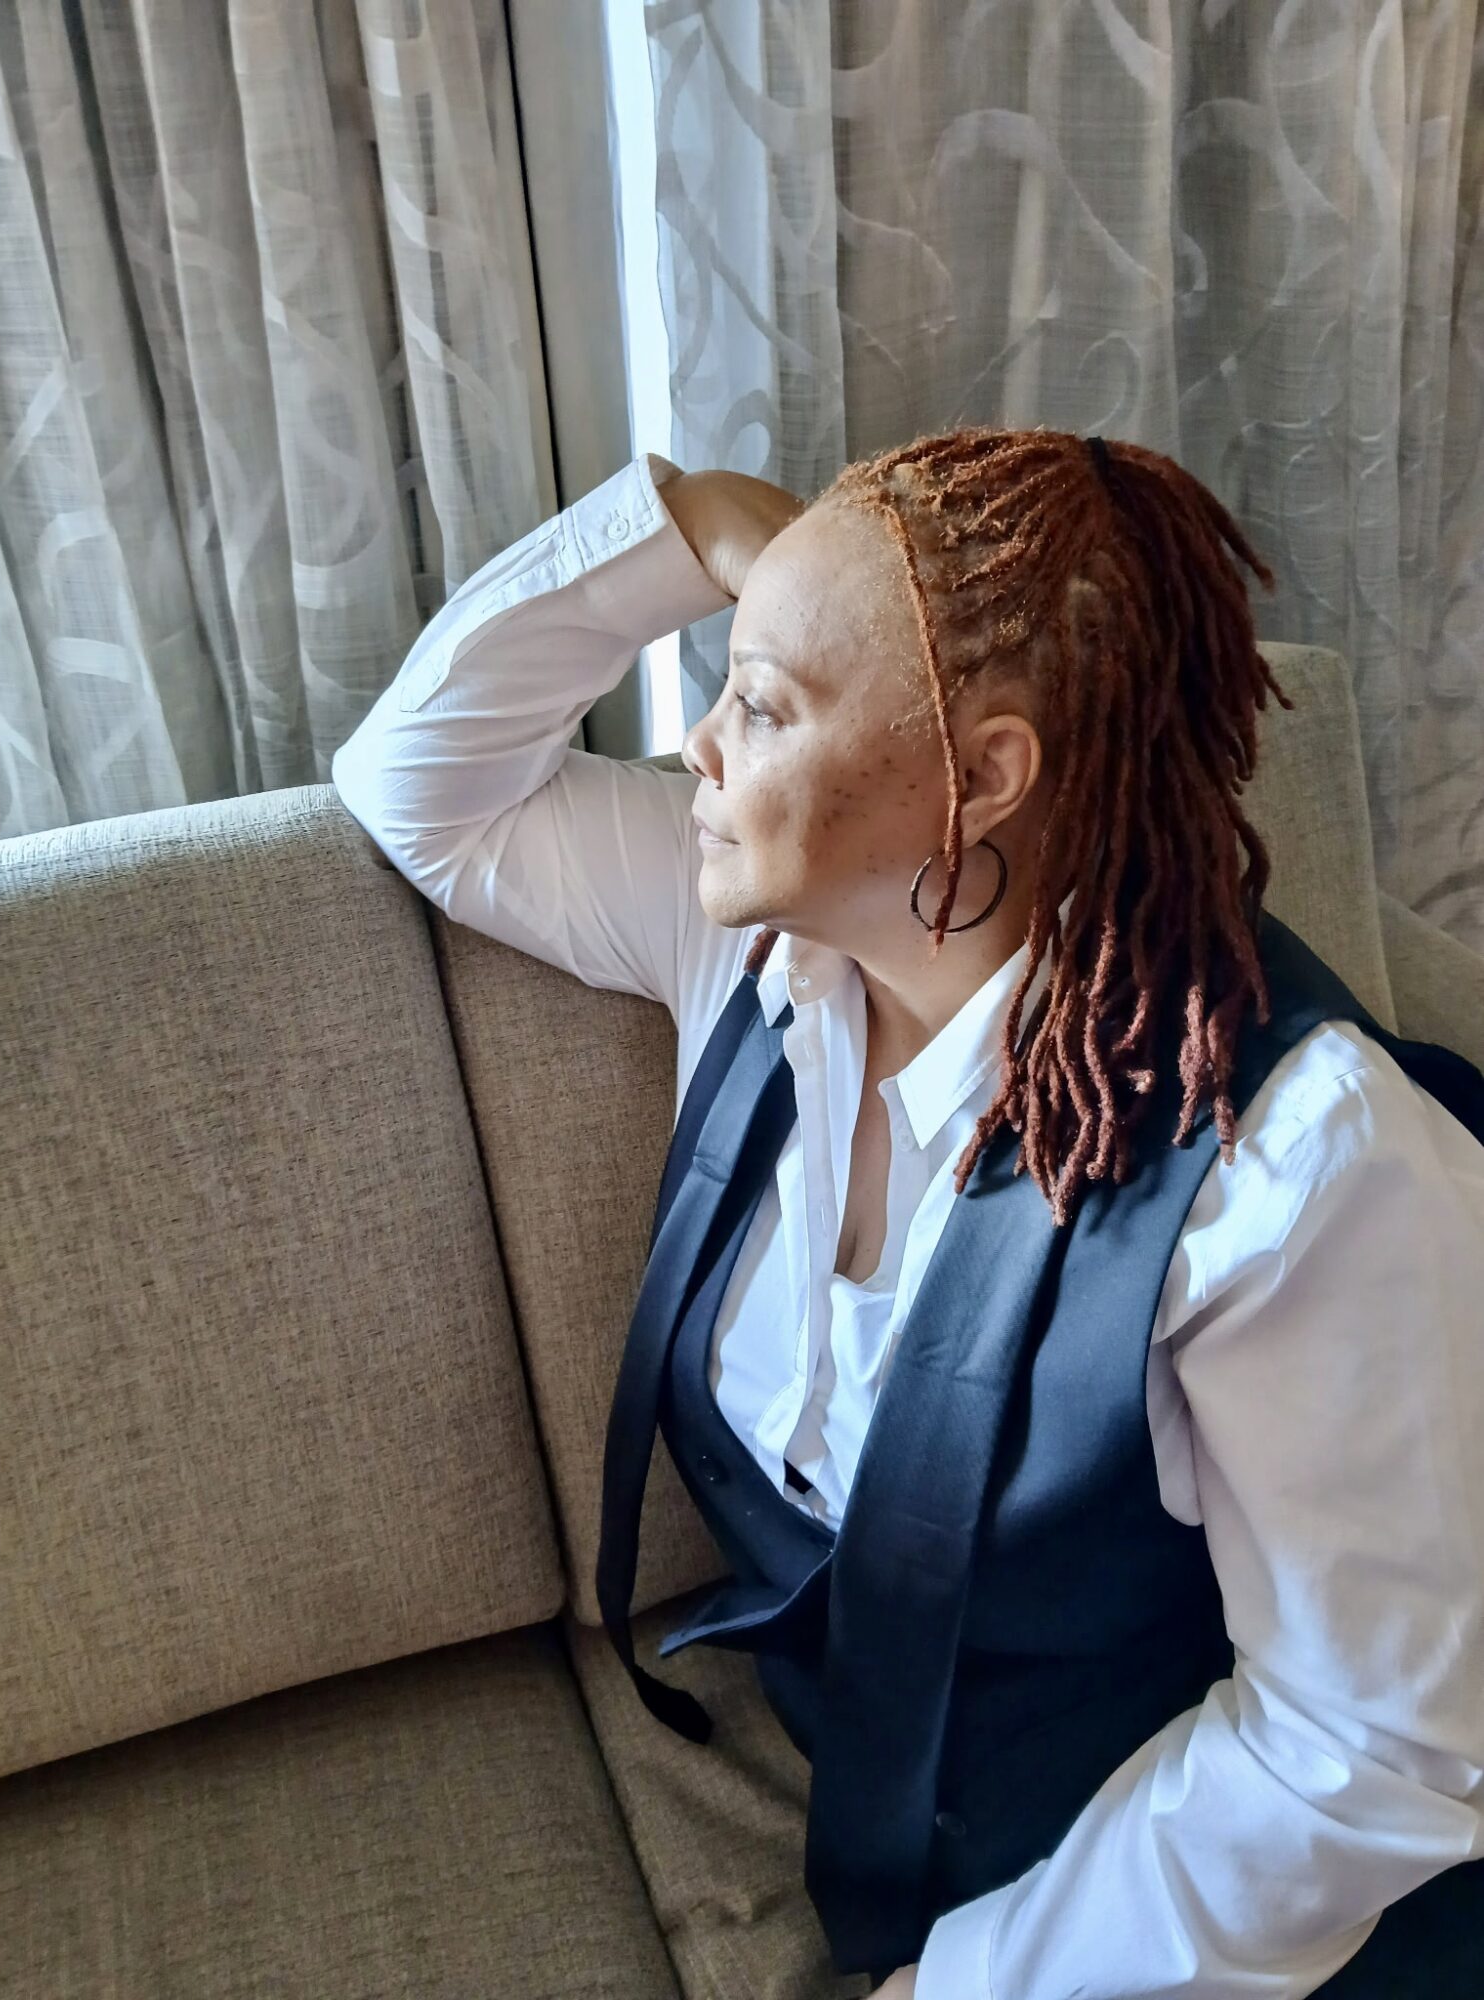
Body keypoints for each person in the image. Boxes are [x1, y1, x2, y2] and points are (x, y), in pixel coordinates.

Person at [330, 427, 1484, 1999]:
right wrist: (696, 529)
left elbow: (1365, 1754)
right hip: (887, 1788)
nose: (697, 749)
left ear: (983, 774)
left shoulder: (1298, 1167)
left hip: (1186, 1911)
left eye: (761, 703)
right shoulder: (736, 928)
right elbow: (418, 787)